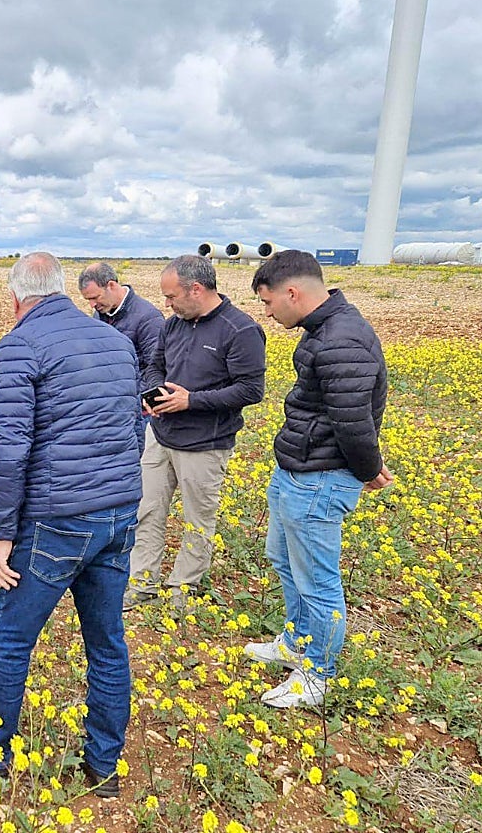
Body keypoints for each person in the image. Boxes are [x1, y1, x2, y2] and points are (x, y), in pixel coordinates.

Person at [0, 252, 143, 798]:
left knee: (12, 639)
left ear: (15, 298)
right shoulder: (115, 340)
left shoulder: (19, 345)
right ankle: (104, 766)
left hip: (56, 521)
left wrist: (1, 536)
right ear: (61, 289)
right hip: (118, 513)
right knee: (107, 642)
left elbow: (9, 450)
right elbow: (134, 428)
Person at [246, 250, 393, 707]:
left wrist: (368, 470)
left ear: (292, 293)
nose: (268, 314)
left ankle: (317, 675)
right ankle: (297, 642)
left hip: (320, 478)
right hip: (300, 470)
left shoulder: (340, 340)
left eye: (268, 302)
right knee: (284, 561)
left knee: (317, 582)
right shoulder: (324, 330)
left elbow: (354, 423)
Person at [125, 254, 266, 611]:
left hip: (204, 444)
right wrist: (155, 392)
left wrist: (191, 401)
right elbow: (155, 365)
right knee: (147, 510)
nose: (166, 304)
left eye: (171, 296)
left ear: (197, 289)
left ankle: (182, 589)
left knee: (197, 521)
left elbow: (251, 390)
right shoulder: (173, 325)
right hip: (160, 436)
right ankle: (142, 583)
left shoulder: (240, 330)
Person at [77, 261, 165, 390]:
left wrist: (129, 394)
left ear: (111, 285)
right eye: (88, 300)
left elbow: (155, 369)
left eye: (95, 297)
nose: (92, 305)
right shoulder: (99, 315)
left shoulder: (148, 318)